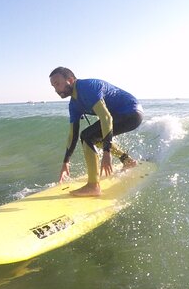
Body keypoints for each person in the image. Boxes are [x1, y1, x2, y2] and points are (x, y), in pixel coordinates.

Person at [49, 67, 143, 197]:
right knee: (93, 136)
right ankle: (127, 160)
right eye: (53, 86)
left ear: (70, 80)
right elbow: (73, 135)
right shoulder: (74, 105)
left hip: (130, 112)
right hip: (122, 114)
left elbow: (106, 118)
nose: (56, 90)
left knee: (87, 136)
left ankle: (93, 186)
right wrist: (66, 161)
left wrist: (106, 152)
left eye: (58, 84)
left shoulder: (87, 87)